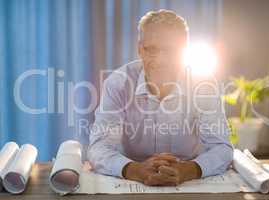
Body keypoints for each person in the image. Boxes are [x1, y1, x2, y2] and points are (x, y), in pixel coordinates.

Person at [88, 9, 233, 186]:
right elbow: (99, 147)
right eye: (151, 49)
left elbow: (221, 147)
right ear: (140, 49)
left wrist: (187, 170)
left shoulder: (204, 83)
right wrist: (136, 170)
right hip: (133, 181)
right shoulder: (118, 83)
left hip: (188, 180)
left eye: (171, 50)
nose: (161, 59)